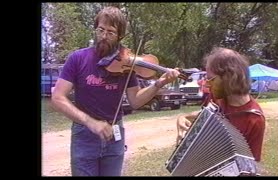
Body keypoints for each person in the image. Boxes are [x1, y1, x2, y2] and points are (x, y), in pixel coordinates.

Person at [51, 6, 180, 176]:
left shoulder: (127, 64)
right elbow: (57, 97)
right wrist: (91, 122)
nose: (104, 36)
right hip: (84, 135)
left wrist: (159, 84)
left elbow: (135, 100)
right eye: (100, 30)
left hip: (114, 135)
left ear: (120, 36)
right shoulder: (77, 58)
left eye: (110, 32)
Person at [176, 47, 265, 163]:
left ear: (229, 77)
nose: (207, 85)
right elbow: (204, 115)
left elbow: (251, 166)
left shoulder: (255, 120)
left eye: (210, 79)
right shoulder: (216, 99)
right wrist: (183, 118)